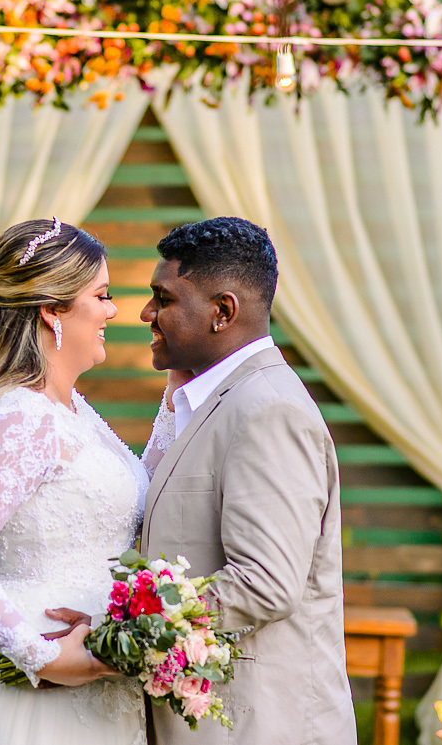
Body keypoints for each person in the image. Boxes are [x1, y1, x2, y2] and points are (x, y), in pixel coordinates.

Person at [0, 218, 179, 745]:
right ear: (53, 309)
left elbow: (134, 489)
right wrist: (42, 656)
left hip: (99, 679)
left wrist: (178, 385)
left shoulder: (73, 410)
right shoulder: (19, 416)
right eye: (101, 294)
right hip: (30, 696)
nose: (113, 311)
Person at [138, 217, 357, 745]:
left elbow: (266, 583)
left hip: (260, 724)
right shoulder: (206, 399)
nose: (146, 313)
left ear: (222, 312)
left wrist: (126, 628)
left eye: (163, 299)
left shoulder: (268, 410)